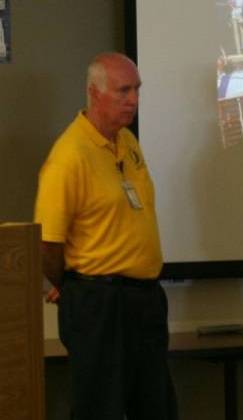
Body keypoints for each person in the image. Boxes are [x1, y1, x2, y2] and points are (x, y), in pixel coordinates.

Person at [34, 52, 178, 420]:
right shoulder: (69, 157)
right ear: (94, 94)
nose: (134, 100)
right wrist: (73, 286)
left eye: (137, 90)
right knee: (101, 408)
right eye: (123, 91)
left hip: (143, 300)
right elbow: (47, 243)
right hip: (100, 304)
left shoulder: (126, 142)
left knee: (154, 405)